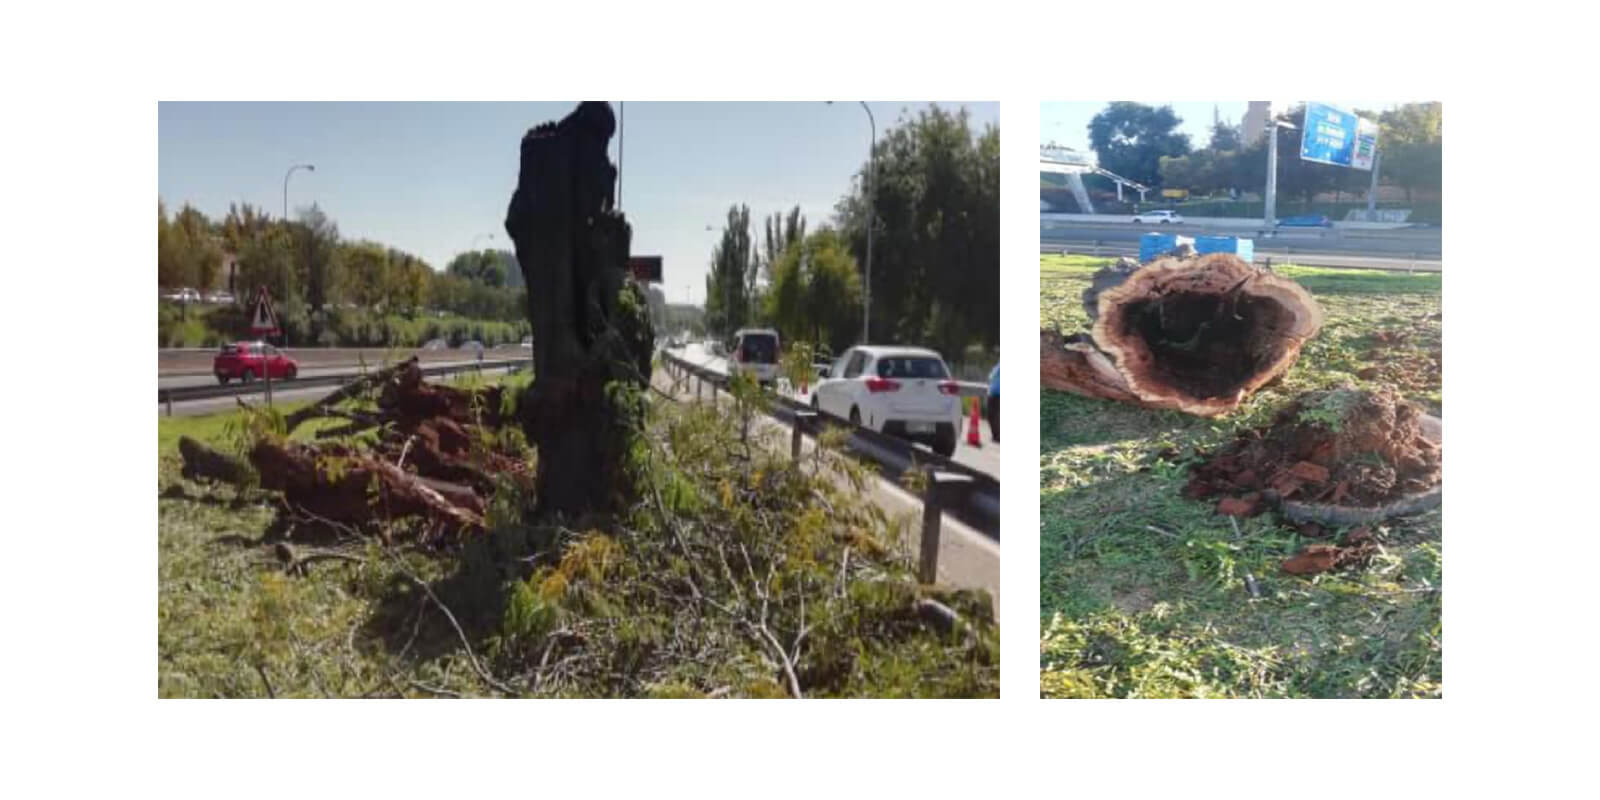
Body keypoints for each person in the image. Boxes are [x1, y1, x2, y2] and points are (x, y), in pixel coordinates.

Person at [985, 364, 999, 442]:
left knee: (994, 416)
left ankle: (997, 436)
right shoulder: (997, 366)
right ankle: (995, 435)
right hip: (992, 393)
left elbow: (991, 377)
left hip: (998, 394)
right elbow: (990, 377)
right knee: (991, 416)